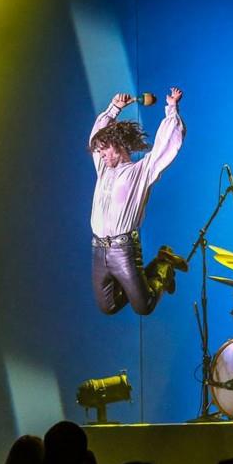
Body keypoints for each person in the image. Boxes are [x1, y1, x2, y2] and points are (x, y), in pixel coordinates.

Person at [89, 88, 188, 316]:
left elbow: (166, 146)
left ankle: (164, 264)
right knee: (108, 306)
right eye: (99, 151)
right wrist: (114, 108)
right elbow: (97, 134)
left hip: (123, 249)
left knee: (144, 306)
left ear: (119, 145)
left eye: (105, 149)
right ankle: (144, 278)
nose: (101, 154)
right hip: (97, 249)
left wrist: (171, 108)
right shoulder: (103, 169)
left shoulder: (141, 171)